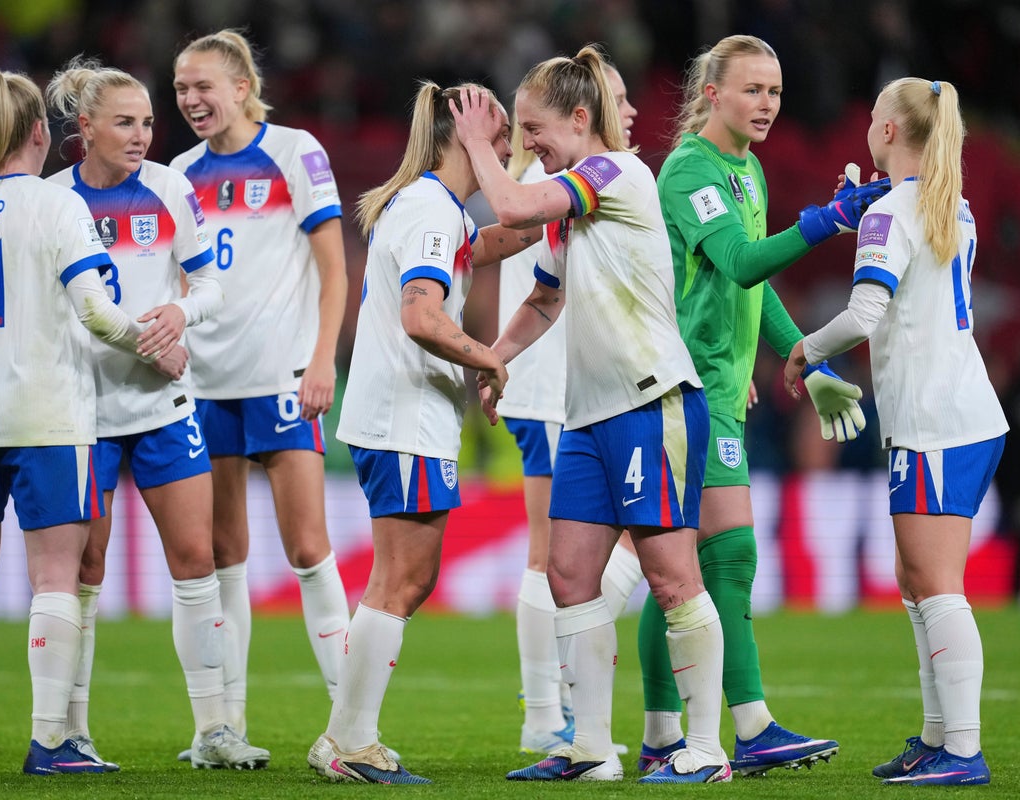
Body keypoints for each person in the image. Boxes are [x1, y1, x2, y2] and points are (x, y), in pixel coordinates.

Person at [453, 45, 729, 784]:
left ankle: (706, 749)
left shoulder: (615, 172)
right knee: (569, 576)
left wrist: (478, 143)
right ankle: (591, 749)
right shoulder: (571, 210)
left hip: (650, 402)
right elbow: (545, 298)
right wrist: (496, 358)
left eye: (535, 129)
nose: (528, 143)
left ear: (580, 119)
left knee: (672, 578)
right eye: (521, 131)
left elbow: (511, 207)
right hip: (587, 416)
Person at [0, 69, 183, 776]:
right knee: (56, 575)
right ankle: (50, 740)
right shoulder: (59, 205)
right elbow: (95, 311)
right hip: (46, 414)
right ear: (39, 132)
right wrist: (152, 343)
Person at [635, 34, 886, 778]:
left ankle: (660, 735)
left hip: (720, 387)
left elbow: (752, 286)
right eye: (752, 90)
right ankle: (751, 727)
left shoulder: (747, 170)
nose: (767, 103)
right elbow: (742, 262)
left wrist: (805, 356)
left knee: (678, 568)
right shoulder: (691, 170)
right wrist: (825, 221)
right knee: (729, 555)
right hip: (689, 386)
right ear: (711, 94)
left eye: (774, 91)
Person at [307, 80, 536, 785]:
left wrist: (552, 215)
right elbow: (421, 315)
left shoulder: (437, 210)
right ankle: (351, 742)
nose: (509, 148)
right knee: (403, 578)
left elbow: (489, 242)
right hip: (404, 416)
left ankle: (343, 736)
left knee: (403, 577)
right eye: (501, 135)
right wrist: (488, 357)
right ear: (465, 137)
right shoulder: (433, 210)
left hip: (400, 415)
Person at [45, 58, 270, 770]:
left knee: (196, 560)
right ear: (86, 128)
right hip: (82, 410)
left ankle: (214, 730)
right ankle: (71, 730)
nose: (142, 135)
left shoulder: (170, 188)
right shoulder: (53, 201)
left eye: (146, 122)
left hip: (164, 407)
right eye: (125, 123)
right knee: (85, 569)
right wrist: (147, 343)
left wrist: (179, 312)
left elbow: (210, 286)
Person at [784, 77, 1007, 787]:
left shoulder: (893, 211)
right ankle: (939, 739)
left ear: (886, 132)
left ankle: (962, 750)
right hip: (956, 412)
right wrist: (870, 212)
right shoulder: (949, 204)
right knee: (916, 580)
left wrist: (804, 350)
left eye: (874, 116)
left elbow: (864, 315)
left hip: (935, 419)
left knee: (935, 583)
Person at [168, 30, 351, 757]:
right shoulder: (178, 174)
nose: (191, 100)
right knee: (224, 555)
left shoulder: (294, 152)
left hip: (280, 377)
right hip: (205, 386)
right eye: (181, 89)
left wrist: (322, 360)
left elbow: (334, 271)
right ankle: (226, 729)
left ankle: (351, 724)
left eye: (203, 86)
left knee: (308, 548)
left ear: (242, 87)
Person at [500, 60, 640, 757]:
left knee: (573, 553)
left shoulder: (565, 175)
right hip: (558, 390)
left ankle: (550, 701)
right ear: (584, 110)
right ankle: (547, 703)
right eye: (618, 98)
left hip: (554, 385)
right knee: (565, 555)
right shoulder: (557, 181)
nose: (629, 111)